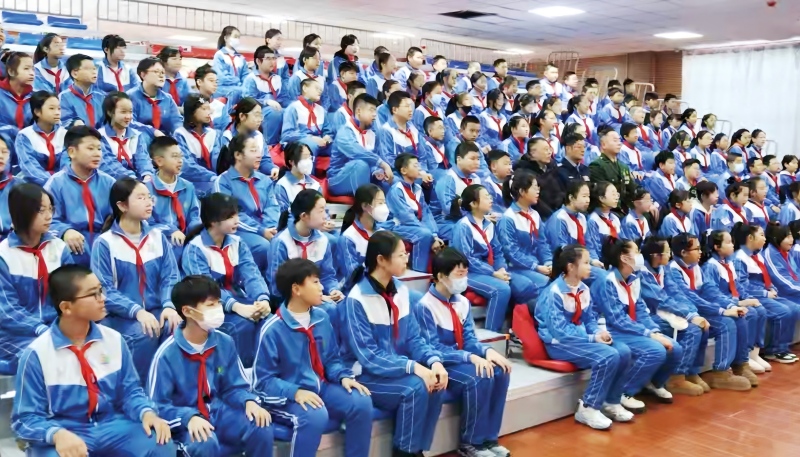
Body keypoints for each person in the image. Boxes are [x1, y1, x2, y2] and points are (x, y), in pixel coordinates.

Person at [12, 264, 175, 456]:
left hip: (111, 424)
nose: (103, 298)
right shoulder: (37, 354)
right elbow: (25, 419)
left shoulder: (114, 339)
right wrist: (56, 434)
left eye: (101, 291)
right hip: (64, 428)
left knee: (161, 444)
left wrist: (146, 412)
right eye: (93, 294)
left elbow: (130, 392)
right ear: (66, 307)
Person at [340, 231, 447, 457]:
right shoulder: (357, 299)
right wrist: (412, 367)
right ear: (381, 260)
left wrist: (433, 361)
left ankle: (416, 449)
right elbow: (369, 357)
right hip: (365, 375)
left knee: (435, 381)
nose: (407, 258)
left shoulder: (401, 291)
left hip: (395, 370)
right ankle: (404, 452)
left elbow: (414, 338)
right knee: (416, 386)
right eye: (401, 254)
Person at [253, 258, 373, 456]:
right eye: (315, 282)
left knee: (361, 401)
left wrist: (343, 377)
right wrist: (295, 392)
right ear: (296, 289)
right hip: (285, 397)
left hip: (320, 387)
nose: (322, 287)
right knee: (315, 415)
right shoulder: (272, 329)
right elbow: (263, 382)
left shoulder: (322, 318)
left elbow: (332, 360)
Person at [147, 275, 274, 456]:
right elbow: (158, 406)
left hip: (218, 412)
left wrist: (248, 401)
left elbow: (234, 387)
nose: (217, 309)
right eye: (210, 305)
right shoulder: (166, 355)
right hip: (184, 424)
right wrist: (188, 417)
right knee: (204, 441)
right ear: (188, 311)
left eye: (218, 303)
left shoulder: (225, 342)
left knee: (260, 424)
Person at [414, 248, 512, 457]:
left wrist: (487, 351)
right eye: (459, 274)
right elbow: (433, 348)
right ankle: (471, 443)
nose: (464, 279)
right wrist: (469, 357)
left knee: (500, 370)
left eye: (466, 274)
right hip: (441, 364)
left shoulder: (462, 302)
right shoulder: (425, 306)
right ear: (441, 276)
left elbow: (469, 339)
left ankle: (490, 438)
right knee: (480, 375)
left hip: (461, 359)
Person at [91, 178, 182, 380]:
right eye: (141, 198)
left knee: (177, 325)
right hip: (120, 316)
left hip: (156, 309)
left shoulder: (157, 237)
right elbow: (104, 290)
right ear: (122, 205)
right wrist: (137, 311)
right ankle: (137, 388)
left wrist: (168, 305)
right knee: (146, 332)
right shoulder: (104, 243)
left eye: (149, 197)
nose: (149, 202)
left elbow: (170, 276)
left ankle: (166, 388)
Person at [535, 244, 630, 429]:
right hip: (559, 344)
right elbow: (560, 331)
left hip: (581, 339)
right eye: (586, 263)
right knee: (608, 356)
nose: (590, 267)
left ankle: (611, 401)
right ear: (571, 267)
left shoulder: (584, 289)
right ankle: (588, 408)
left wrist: (598, 332)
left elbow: (589, 320)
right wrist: (591, 338)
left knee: (624, 351)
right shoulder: (554, 293)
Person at [180, 192, 269, 367]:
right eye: (230, 217)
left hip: (237, 297)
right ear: (213, 221)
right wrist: (236, 307)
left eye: (236, 215)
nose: (237, 220)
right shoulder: (195, 249)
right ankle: (239, 373)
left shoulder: (237, 242)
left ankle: (263, 371)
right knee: (241, 325)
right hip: (207, 306)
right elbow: (205, 289)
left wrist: (262, 299)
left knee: (267, 319)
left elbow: (251, 274)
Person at [593, 238, 680, 405]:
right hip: (612, 330)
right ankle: (624, 392)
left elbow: (640, 310)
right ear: (624, 258)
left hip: (632, 328)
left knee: (675, 349)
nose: (641, 256)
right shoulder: (607, 282)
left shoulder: (634, 278)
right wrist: (649, 335)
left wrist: (653, 331)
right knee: (656, 350)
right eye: (637, 252)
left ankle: (654, 383)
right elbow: (617, 319)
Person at [0, 183, 73, 374]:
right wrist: (40, 329)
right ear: (22, 212)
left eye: (51, 209)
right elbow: (7, 311)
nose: (49, 216)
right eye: (41, 210)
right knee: (43, 356)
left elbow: (72, 294)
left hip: (56, 329)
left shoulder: (59, 248)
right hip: (13, 336)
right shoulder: (4, 256)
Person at [667, 233, 752, 390]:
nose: (701, 252)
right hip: (684, 313)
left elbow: (710, 290)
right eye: (696, 249)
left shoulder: (695, 267)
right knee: (725, 324)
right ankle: (719, 372)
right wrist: (721, 311)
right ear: (683, 252)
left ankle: (741, 364)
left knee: (739, 318)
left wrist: (730, 306)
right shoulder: (673, 271)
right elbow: (690, 298)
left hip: (701, 310)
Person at [451, 184, 537, 331]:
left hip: (491, 270)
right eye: (486, 197)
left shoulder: (489, 224)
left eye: (490, 196)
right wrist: (493, 273)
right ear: (473, 204)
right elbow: (467, 259)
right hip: (467, 272)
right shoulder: (463, 226)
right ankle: (491, 334)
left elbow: (497, 252)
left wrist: (501, 268)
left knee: (526, 286)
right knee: (501, 289)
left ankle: (517, 329)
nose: (490, 199)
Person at [638, 238, 706, 396]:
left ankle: (690, 372)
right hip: (650, 316)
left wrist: (692, 313)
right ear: (656, 255)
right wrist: (688, 315)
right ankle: (676, 377)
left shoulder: (664, 269)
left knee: (700, 325)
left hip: (667, 312)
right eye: (667, 252)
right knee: (691, 330)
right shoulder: (642, 273)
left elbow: (676, 293)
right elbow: (660, 299)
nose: (670, 255)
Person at [44, 126, 115, 266]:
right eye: (90, 148)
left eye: (99, 149)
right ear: (72, 152)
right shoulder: (55, 184)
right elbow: (46, 220)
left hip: (105, 247)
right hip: (72, 249)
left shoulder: (109, 182)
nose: (97, 154)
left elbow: (122, 217)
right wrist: (65, 231)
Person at [268, 190, 344, 321]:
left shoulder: (323, 240)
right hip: (288, 301)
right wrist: (312, 296)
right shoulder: (281, 242)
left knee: (342, 305)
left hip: (315, 295)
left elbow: (327, 275)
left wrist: (333, 290)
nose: (326, 216)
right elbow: (276, 288)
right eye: (321, 211)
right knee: (329, 310)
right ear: (304, 216)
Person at [701, 230, 765, 383]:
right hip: (720, 305)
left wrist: (748, 298)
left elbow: (738, 287)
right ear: (717, 247)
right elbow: (712, 294)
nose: (732, 245)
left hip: (732, 302)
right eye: (728, 242)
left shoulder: (728, 263)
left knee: (760, 310)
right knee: (745, 314)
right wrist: (736, 304)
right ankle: (737, 362)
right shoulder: (711, 267)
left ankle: (747, 357)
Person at [732, 223, 800, 364]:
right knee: (782, 311)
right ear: (750, 238)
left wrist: (772, 288)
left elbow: (767, 277)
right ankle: (773, 350)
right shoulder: (740, 258)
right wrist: (764, 293)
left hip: (766, 293)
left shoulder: (757, 256)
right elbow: (742, 287)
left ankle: (783, 347)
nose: (764, 238)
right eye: (761, 235)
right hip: (754, 296)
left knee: (794, 308)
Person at [214, 134, 279, 275]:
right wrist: (261, 231)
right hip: (236, 230)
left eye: (259, 150)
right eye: (253, 150)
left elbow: (272, 207)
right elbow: (230, 215)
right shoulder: (223, 182)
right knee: (263, 246)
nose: (259, 155)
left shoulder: (264, 180)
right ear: (238, 155)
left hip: (265, 228)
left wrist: (271, 228)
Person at [497, 169, 552, 302]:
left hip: (536, 265)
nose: (538, 191)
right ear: (522, 191)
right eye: (534, 187)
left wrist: (549, 262)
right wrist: (536, 267)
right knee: (544, 284)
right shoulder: (508, 218)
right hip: (515, 268)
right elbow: (511, 252)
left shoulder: (535, 215)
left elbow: (542, 243)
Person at [145, 136, 201, 261]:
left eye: (181, 156)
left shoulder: (188, 186)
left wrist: (194, 234)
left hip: (186, 239)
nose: (180, 161)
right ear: (159, 161)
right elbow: (146, 222)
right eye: (175, 156)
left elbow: (194, 216)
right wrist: (171, 231)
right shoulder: (146, 188)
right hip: (159, 242)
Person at [387, 153, 443, 272]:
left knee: (431, 233)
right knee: (424, 234)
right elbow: (406, 217)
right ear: (403, 170)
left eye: (419, 165)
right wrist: (430, 236)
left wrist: (434, 235)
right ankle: (418, 271)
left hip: (415, 225)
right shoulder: (396, 189)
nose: (419, 169)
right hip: (397, 226)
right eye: (415, 166)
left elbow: (426, 213)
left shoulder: (417, 189)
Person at [329, 93, 391, 196]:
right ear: (358, 111)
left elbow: (376, 155)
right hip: (339, 179)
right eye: (371, 110)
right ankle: (363, 204)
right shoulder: (344, 132)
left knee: (391, 181)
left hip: (366, 174)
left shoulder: (373, 132)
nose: (374, 114)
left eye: (375, 111)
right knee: (360, 165)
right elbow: (357, 152)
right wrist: (381, 163)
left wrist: (376, 171)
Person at [15, 90, 69, 186]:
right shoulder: (24, 135)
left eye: (59, 109)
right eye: (51, 108)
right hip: (33, 184)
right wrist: (52, 184)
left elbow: (67, 164)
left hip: (62, 184)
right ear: (37, 112)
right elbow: (29, 167)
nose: (57, 113)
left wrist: (60, 184)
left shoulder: (65, 134)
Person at [98, 91, 155, 181]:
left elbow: (143, 159)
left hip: (138, 182)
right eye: (123, 112)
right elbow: (108, 165)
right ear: (110, 112)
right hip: (114, 183)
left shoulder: (136, 135)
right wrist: (132, 180)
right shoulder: (100, 137)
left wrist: (147, 175)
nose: (128, 116)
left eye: (130, 112)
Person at [431, 142, 482, 241]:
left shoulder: (476, 178)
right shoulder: (448, 178)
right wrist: (474, 216)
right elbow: (448, 209)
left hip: (469, 219)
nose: (477, 162)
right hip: (447, 222)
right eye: (472, 159)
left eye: (478, 159)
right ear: (459, 159)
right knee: (467, 231)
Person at [378, 91, 433, 183]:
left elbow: (422, 155)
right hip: (399, 174)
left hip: (417, 171)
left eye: (411, 106)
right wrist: (414, 172)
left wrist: (422, 171)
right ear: (395, 110)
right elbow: (388, 159)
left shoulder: (413, 129)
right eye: (407, 106)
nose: (410, 110)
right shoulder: (386, 130)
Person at [173, 94, 220, 195]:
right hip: (192, 182)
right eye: (204, 109)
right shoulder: (180, 134)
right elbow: (186, 166)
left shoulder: (213, 134)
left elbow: (219, 160)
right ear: (192, 112)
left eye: (209, 109)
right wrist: (211, 177)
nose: (209, 112)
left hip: (215, 179)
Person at [337, 184, 387, 278]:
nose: (384, 207)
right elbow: (352, 274)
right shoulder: (348, 238)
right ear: (365, 206)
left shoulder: (383, 233)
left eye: (384, 202)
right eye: (380, 203)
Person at [589, 127, 641, 216]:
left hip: (625, 207)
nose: (619, 143)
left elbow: (632, 188)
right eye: (615, 140)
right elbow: (602, 194)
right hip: (610, 210)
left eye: (619, 140)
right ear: (604, 144)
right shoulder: (597, 165)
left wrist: (643, 200)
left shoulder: (623, 166)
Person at [220, 97, 277, 179]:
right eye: (256, 115)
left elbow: (264, 160)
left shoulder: (259, 136)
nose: (260, 120)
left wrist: (272, 169)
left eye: (261, 116)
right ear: (242, 116)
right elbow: (225, 166)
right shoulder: (228, 137)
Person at [127, 57, 183, 139]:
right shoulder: (130, 96)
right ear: (143, 75)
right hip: (139, 140)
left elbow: (177, 122)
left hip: (164, 141)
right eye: (156, 72)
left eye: (163, 72)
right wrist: (153, 131)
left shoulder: (167, 99)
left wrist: (179, 136)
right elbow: (129, 123)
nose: (161, 75)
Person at [241, 45, 286, 147]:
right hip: (259, 110)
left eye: (273, 58)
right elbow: (248, 100)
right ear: (258, 61)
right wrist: (266, 102)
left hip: (277, 108)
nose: (272, 62)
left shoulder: (277, 79)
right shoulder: (251, 79)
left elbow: (285, 97)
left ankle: (285, 145)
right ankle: (269, 144)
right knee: (273, 113)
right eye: (268, 59)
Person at [282, 77, 331, 159]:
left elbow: (327, 130)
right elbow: (287, 134)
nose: (320, 91)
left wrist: (327, 137)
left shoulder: (321, 110)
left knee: (338, 145)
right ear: (305, 88)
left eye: (320, 89)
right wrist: (311, 138)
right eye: (316, 88)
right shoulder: (293, 108)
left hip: (319, 141)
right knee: (310, 146)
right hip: (299, 142)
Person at [515, 137, 562, 219]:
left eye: (549, 149)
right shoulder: (524, 173)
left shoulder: (552, 166)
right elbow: (535, 202)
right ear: (533, 153)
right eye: (545, 149)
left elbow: (560, 191)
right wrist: (553, 216)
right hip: (540, 216)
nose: (549, 152)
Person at [212, 26, 250, 97]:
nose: (237, 39)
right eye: (235, 37)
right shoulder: (219, 55)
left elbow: (246, 75)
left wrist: (243, 85)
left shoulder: (241, 58)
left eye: (238, 37)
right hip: (223, 90)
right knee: (237, 92)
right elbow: (221, 77)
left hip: (239, 89)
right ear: (226, 38)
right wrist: (237, 81)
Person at [0, 52, 34, 131]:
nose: (32, 73)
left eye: (33, 69)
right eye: (26, 69)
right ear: (11, 72)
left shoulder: (34, 97)